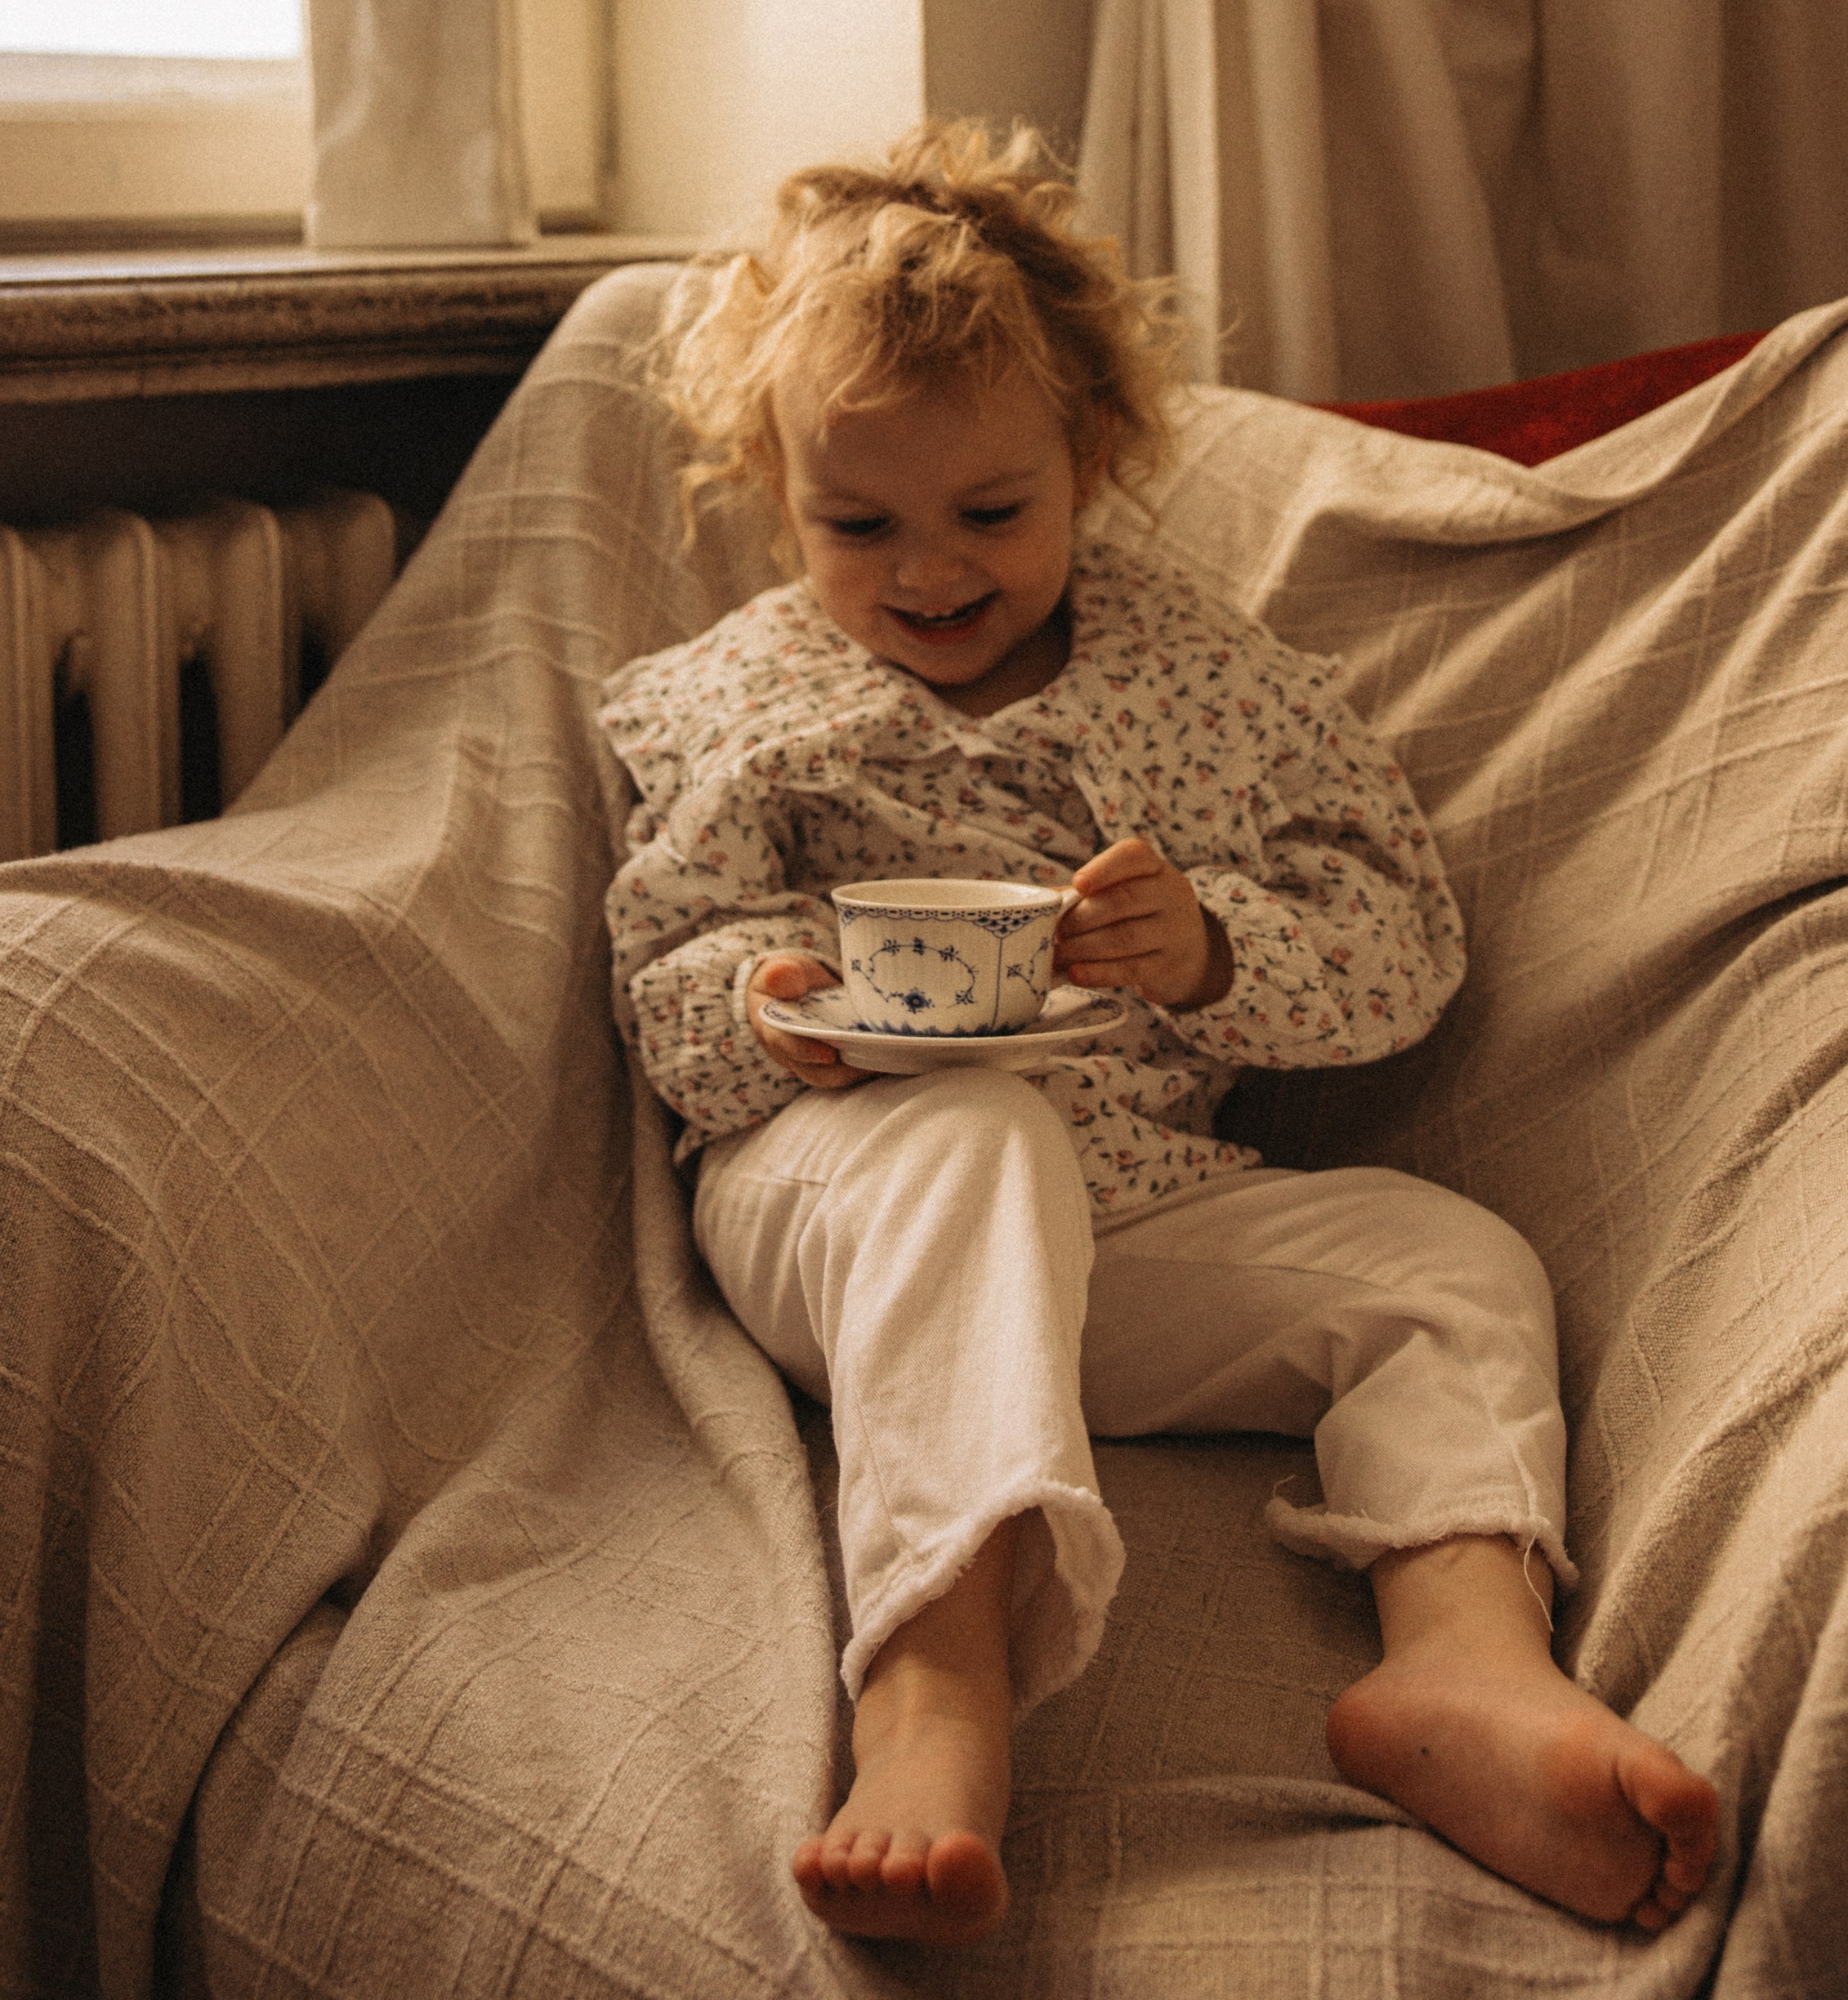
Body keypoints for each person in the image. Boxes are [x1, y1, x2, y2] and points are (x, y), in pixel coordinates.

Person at [598, 121, 1719, 1949]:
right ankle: (933, 1682)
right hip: (844, 1204)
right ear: (774, 493)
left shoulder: (1209, 683)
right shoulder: (737, 701)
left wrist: (1209, 955)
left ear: (1092, 458)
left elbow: (1399, 939)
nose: (929, 570)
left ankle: (1461, 1661)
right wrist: (763, 1011)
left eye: (991, 512)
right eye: (858, 525)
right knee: (974, 1134)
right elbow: (661, 958)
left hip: (1127, 1216)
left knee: (1448, 1266)